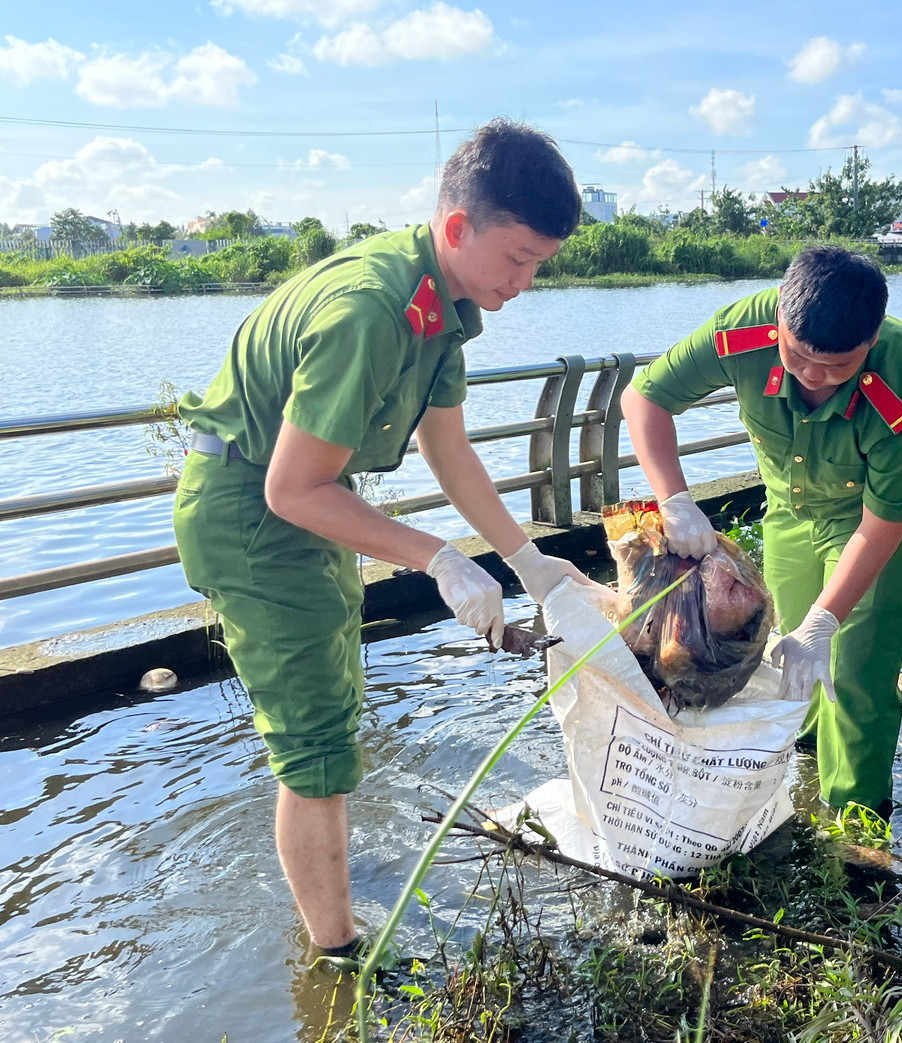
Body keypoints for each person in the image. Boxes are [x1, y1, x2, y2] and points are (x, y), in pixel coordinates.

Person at [173, 118, 596, 964]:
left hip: (308, 500)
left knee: (334, 694)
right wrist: (435, 555)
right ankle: (339, 957)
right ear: (456, 228)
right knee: (314, 739)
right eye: (516, 259)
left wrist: (526, 559)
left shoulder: (445, 304)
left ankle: (324, 869)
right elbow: (290, 487)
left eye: (540, 265)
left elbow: (449, 447)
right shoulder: (372, 308)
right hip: (253, 508)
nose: (525, 281)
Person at [621, 245, 902, 817]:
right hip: (790, 506)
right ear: (780, 325)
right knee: (782, 648)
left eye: (839, 366)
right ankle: (801, 763)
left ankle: (858, 819)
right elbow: (644, 397)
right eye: (797, 357)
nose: (814, 377)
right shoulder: (740, 330)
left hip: (868, 521)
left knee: (852, 667)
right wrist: (673, 499)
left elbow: (886, 518)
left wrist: (827, 621)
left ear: (870, 342)